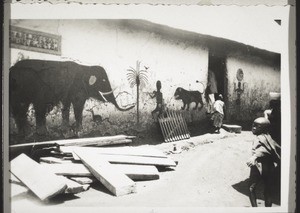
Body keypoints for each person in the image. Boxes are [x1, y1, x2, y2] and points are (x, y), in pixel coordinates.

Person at [246, 117, 281, 207]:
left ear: (264, 129)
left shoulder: (259, 138)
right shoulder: (269, 137)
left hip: (258, 166)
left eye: (258, 126)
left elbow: (261, 150)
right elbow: (275, 148)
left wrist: (254, 157)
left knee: (251, 188)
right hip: (269, 167)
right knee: (268, 191)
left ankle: (255, 209)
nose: (253, 128)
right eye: (253, 125)